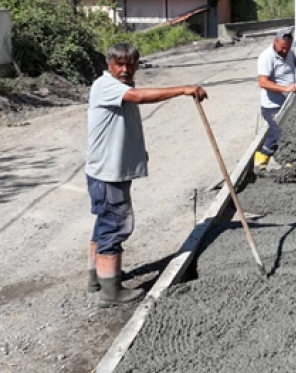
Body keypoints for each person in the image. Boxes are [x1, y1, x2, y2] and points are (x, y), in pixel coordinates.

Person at [85, 42, 207, 306]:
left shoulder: (119, 88)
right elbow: (141, 97)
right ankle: (110, 292)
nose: (125, 69)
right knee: (114, 226)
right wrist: (184, 89)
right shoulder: (106, 86)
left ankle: (98, 278)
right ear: (109, 65)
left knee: (104, 224)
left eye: (130, 64)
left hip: (108, 171)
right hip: (108, 174)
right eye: (119, 64)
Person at [254, 27, 296, 172]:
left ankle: (259, 162)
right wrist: (286, 89)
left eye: (288, 47)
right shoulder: (267, 57)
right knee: (284, 135)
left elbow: (295, 62)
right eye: (282, 48)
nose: (285, 51)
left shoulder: (289, 52)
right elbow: (263, 82)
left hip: (287, 104)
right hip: (271, 106)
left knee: (275, 134)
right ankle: (288, 167)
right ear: (275, 42)